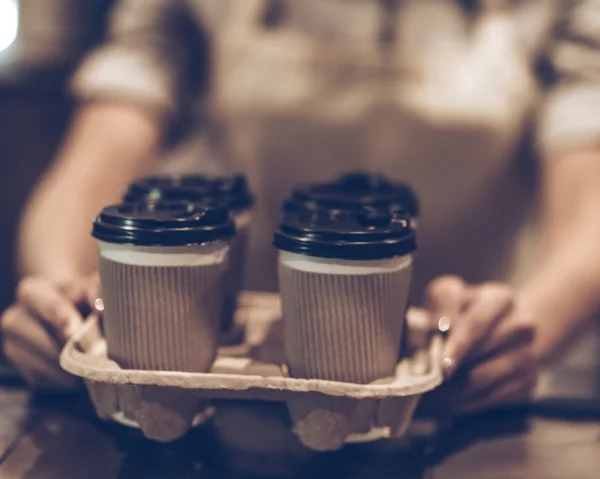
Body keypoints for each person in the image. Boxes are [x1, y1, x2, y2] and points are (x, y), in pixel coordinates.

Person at [3, 0, 600, 413]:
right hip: (228, 378)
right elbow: (100, 148)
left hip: (457, 365)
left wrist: (525, 325)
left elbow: (589, 193)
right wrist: (57, 290)